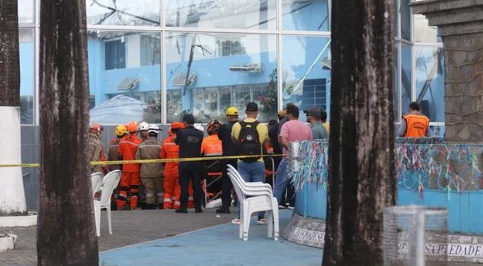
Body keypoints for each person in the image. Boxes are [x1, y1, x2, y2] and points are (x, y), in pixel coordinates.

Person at [231, 102, 268, 225]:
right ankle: (261, 217)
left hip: (242, 162)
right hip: (258, 162)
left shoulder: (237, 126)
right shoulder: (262, 126)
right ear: (257, 112)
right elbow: (264, 141)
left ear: (246, 112)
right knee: (260, 190)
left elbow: (234, 140)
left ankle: (241, 217)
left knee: (242, 191)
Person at [274, 103, 313, 206]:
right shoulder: (307, 127)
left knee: (279, 186)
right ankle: (298, 212)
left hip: (288, 158)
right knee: (299, 188)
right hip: (302, 160)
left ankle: (272, 213)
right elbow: (310, 145)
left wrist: (293, 150)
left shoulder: (286, 125)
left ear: (289, 114)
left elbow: (283, 141)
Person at [175, 114, 204, 213]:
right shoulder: (200, 134)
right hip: (196, 163)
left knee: (184, 185)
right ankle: (198, 207)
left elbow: (176, 142)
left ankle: (183, 207)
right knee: (197, 185)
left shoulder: (181, 132)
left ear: (185, 122)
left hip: (184, 163)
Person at [215, 107, 239, 214]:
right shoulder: (241, 126)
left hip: (227, 157)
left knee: (226, 182)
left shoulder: (224, 127)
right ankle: (244, 204)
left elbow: (220, 137)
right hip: (240, 158)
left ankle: (225, 206)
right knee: (241, 181)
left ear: (228, 116)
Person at [135, 124, 164, 209]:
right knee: (160, 190)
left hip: (145, 172)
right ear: (157, 133)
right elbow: (164, 158)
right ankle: (161, 205)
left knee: (149, 191)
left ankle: (150, 205)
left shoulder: (141, 145)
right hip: (159, 172)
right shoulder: (161, 145)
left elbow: (137, 159)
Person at [117, 121, 142, 210]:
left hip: (125, 168)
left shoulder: (122, 141)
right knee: (134, 189)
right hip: (135, 169)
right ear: (136, 131)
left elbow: (119, 154)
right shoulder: (139, 142)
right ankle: (133, 207)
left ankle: (120, 206)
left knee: (123, 189)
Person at [160, 122, 184, 209]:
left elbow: (162, 156)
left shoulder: (165, 141)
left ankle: (166, 206)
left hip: (168, 171)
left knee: (168, 190)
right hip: (179, 170)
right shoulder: (183, 141)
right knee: (178, 190)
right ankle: (176, 206)